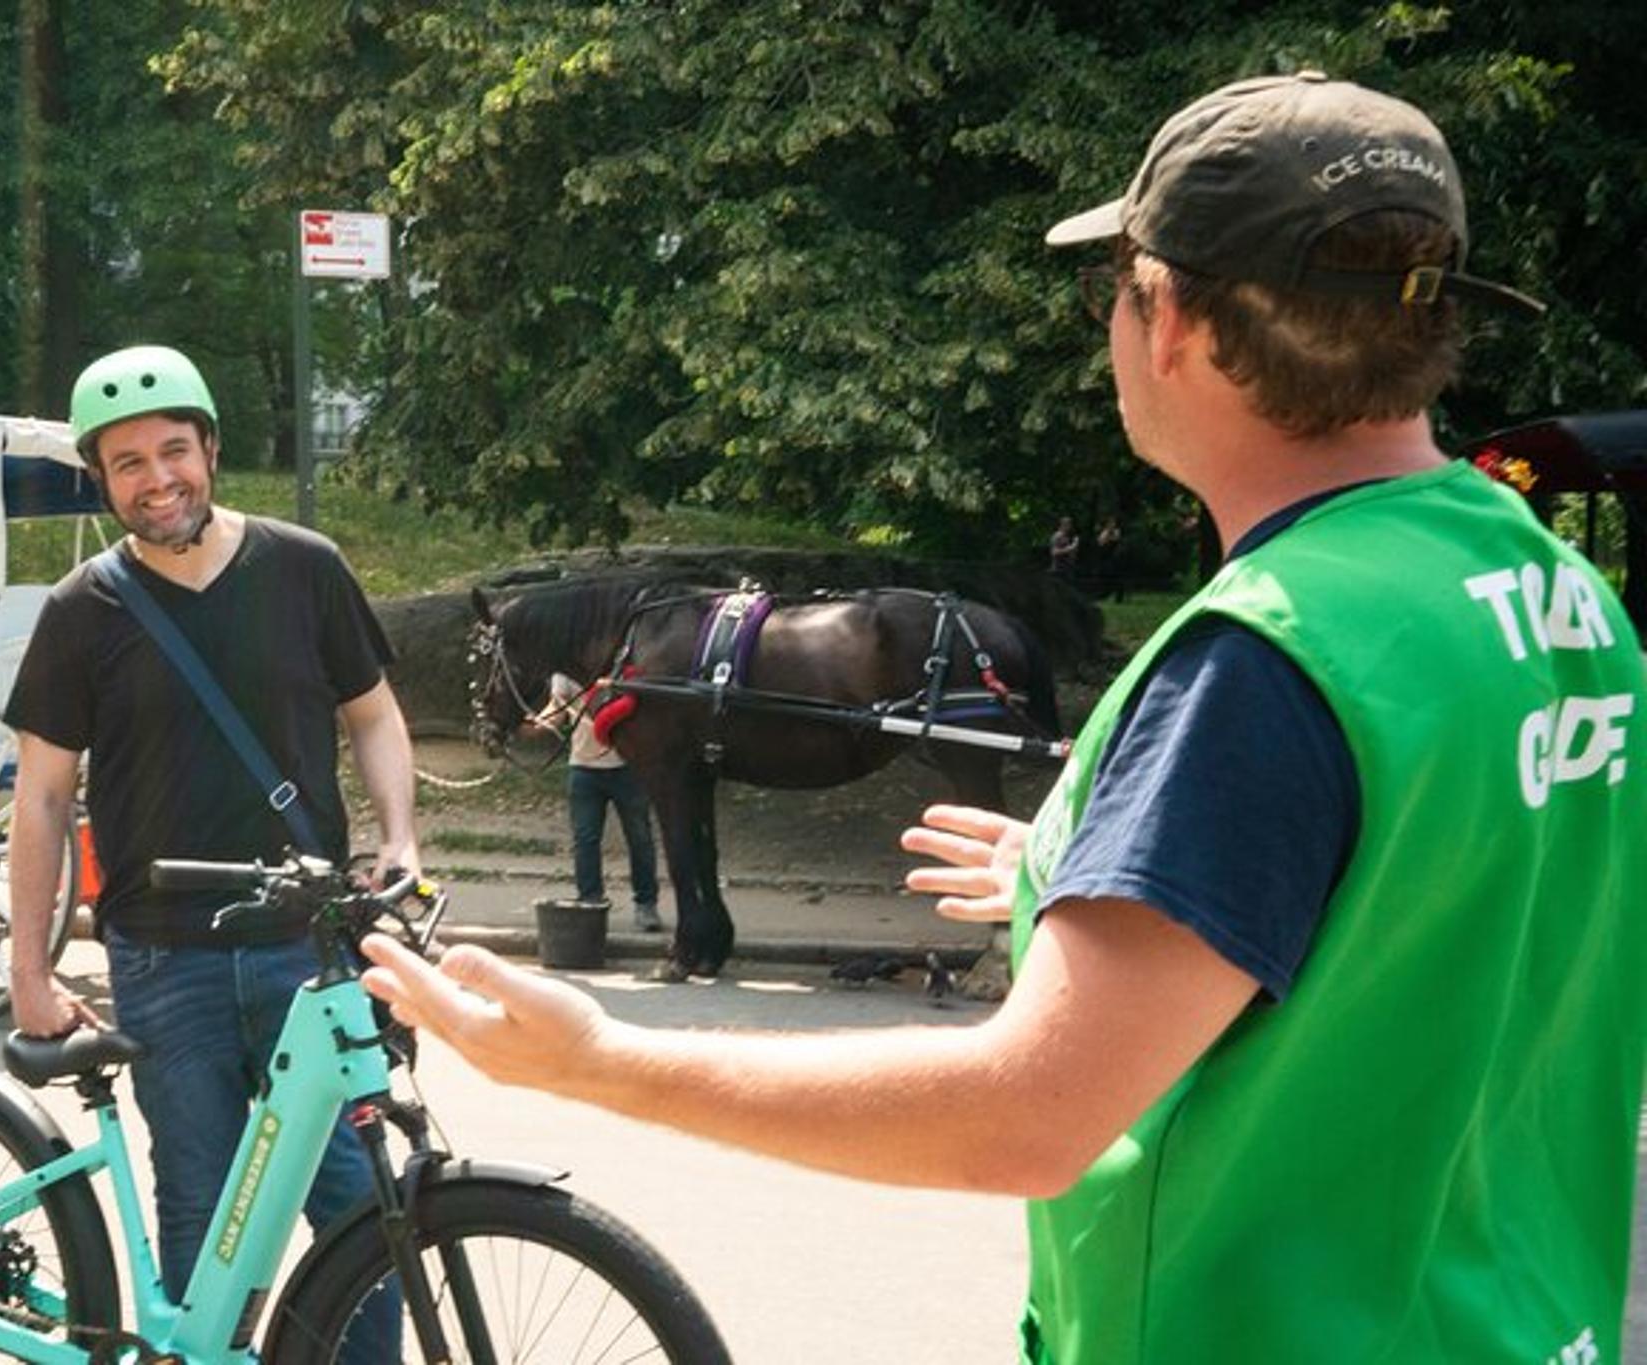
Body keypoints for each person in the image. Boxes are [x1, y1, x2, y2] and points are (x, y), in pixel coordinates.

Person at [358, 73, 1647, 1363]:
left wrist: (602, 1059)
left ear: (1169, 318)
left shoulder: (1267, 659)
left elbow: (1024, 1118)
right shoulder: (1552, 595)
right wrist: (1105, 867)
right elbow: (1426, 901)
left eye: (1111, 290)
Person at [5, 344, 418, 1353]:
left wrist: (400, 837)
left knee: (359, 1209)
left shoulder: (304, 568)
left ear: (211, 451)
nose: (158, 480)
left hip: (305, 949)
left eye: (173, 452)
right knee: (203, 1212)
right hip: (163, 959)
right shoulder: (80, 612)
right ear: (101, 481)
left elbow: (373, 714)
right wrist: (28, 968)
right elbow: (43, 797)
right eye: (128, 463)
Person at [538, 673, 661, 931]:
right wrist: (534, 724)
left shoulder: (622, 666)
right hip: (584, 768)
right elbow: (556, 709)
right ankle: (590, 904)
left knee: (639, 837)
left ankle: (646, 904)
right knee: (585, 840)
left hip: (628, 767)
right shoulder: (565, 673)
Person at [1092, 513, 1123, 600]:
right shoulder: (1104, 532)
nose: (1112, 524)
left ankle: (1118, 596)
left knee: (1115, 577)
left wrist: (1108, 536)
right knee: (1102, 576)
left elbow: (1115, 539)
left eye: (1113, 523)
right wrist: (1107, 535)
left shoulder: (1116, 531)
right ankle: (1102, 594)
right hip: (1104, 557)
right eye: (1110, 523)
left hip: (1113, 557)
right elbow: (1101, 542)